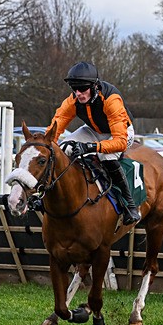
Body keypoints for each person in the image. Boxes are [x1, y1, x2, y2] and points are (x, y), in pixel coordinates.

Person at [50, 61, 141, 225]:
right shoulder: (73, 100)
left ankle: (130, 206)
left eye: (82, 89)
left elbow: (119, 141)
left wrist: (91, 147)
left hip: (121, 133)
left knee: (105, 157)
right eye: (74, 89)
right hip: (93, 130)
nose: (78, 93)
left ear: (94, 86)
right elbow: (57, 125)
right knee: (63, 149)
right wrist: (46, 144)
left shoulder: (111, 99)